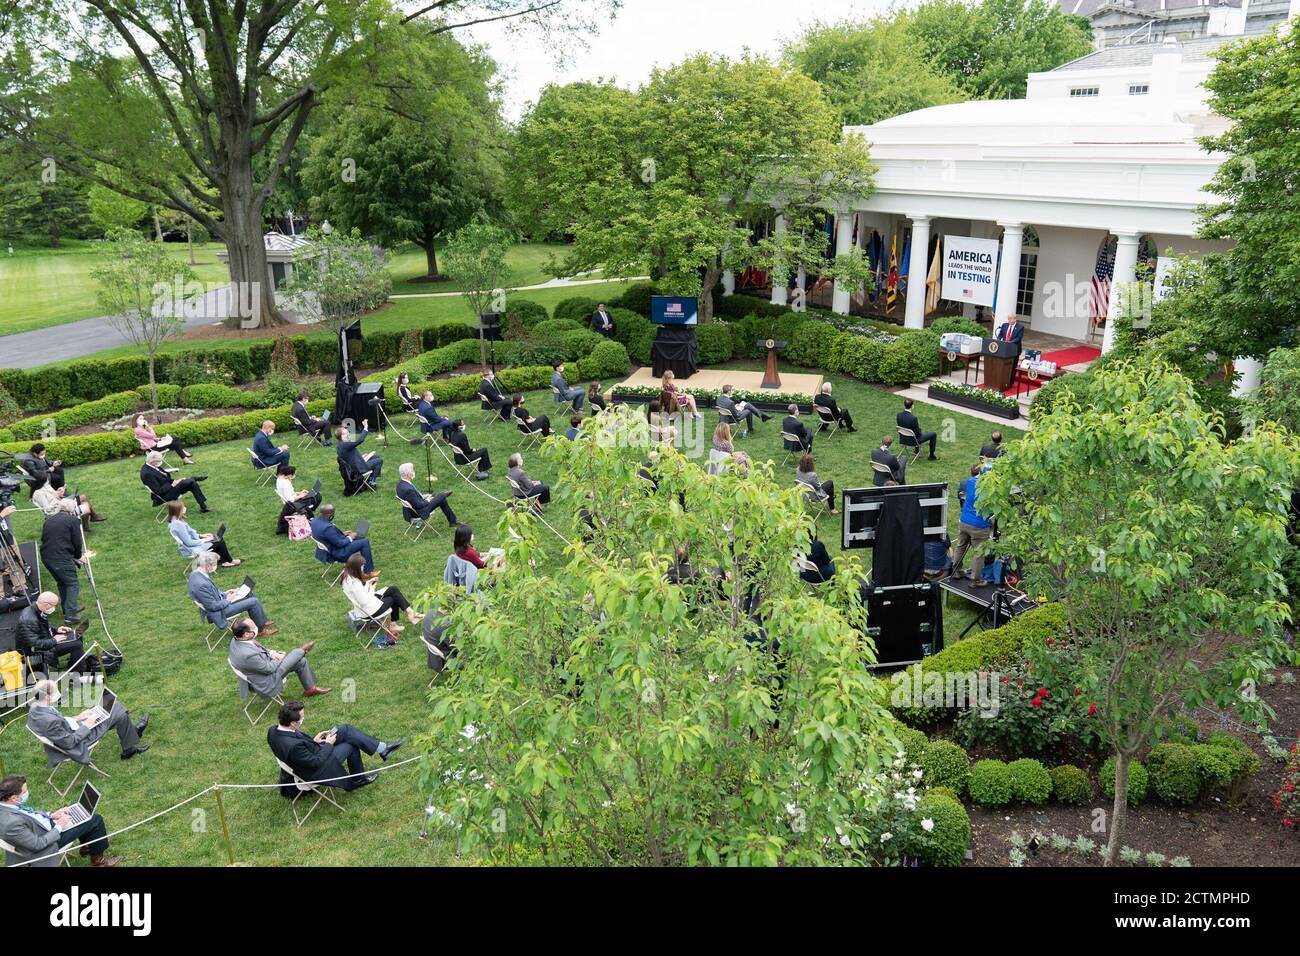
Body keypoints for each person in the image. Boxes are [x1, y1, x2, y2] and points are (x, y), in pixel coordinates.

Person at [268, 701, 405, 794]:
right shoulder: (293, 746)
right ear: (293, 723)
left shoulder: (273, 731)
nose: (304, 718)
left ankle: (383, 748)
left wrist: (314, 741)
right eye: (302, 718)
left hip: (310, 753)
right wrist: (328, 744)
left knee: (345, 730)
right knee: (351, 745)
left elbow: (299, 744)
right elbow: (315, 763)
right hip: (317, 769)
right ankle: (358, 779)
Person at [0, 774, 121, 867]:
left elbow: (28, 814)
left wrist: (51, 815)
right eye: (25, 791)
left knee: (83, 816)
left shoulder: (6, 805)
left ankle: (88, 846)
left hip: (46, 828)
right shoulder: (11, 823)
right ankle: (99, 862)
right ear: (14, 798)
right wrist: (59, 826)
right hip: (48, 843)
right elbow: (38, 845)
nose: (27, 793)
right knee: (95, 820)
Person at [27, 678, 150, 763]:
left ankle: (131, 738)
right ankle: (131, 741)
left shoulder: (36, 707)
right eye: (55, 691)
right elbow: (69, 742)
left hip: (72, 729)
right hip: (78, 742)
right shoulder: (50, 722)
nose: (58, 692)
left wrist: (78, 717)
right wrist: (87, 725)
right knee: (117, 710)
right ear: (47, 696)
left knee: (112, 709)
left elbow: (60, 723)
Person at [229, 618, 330, 698]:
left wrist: (271, 652)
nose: (256, 627)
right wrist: (279, 658)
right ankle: (301, 650)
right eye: (254, 627)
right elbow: (269, 669)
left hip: (260, 671)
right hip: (267, 682)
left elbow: (256, 649)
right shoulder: (247, 655)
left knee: (300, 662)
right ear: (246, 634)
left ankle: (310, 689)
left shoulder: (237, 639)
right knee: (296, 656)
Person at [188, 551, 278, 636]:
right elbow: (212, 606)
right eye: (215, 564)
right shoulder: (201, 585)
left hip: (221, 602)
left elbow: (211, 593)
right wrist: (227, 600)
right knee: (254, 601)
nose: (216, 566)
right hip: (221, 611)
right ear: (208, 566)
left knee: (249, 592)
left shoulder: (196, 573)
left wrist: (225, 593)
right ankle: (261, 630)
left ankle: (262, 620)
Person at [341, 553, 420, 640]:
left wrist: (368, 583)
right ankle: (398, 622)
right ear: (356, 567)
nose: (363, 568)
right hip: (368, 611)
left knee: (393, 589)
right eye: (362, 566)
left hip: (365, 606)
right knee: (393, 598)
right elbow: (364, 601)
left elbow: (361, 593)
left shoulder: (347, 576)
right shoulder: (355, 584)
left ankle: (410, 612)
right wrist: (372, 587)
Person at [40, 499, 92, 623]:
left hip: (46, 557)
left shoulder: (49, 520)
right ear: (73, 510)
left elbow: (44, 538)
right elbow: (77, 541)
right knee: (72, 583)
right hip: (60, 558)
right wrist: (79, 556)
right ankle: (71, 615)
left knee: (62, 582)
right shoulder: (73, 520)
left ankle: (68, 608)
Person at [16, 592, 90, 676]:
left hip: (43, 642)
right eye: (54, 605)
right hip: (34, 653)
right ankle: (78, 674)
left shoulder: (36, 610)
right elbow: (34, 645)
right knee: (77, 644)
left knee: (76, 635)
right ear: (46, 605)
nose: (54, 608)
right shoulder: (29, 620)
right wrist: (54, 640)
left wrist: (56, 630)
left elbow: (41, 627)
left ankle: (75, 662)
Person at [952, 464, 995, 587]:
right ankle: (976, 580)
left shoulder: (971, 481)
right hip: (978, 525)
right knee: (979, 552)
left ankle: (957, 571)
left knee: (960, 546)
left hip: (964, 520)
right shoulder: (990, 488)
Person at [168, 500, 240, 567]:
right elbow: (189, 542)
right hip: (191, 548)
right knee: (219, 541)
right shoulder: (179, 525)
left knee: (215, 538)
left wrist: (201, 536)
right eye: (183, 507)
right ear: (178, 511)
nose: (185, 508)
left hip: (191, 545)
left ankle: (223, 561)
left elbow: (189, 534)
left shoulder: (175, 521)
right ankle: (230, 561)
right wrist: (205, 540)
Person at [310, 504, 374, 572]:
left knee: (360, 536)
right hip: (338, 553)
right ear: (329, 515)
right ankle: (369, 571)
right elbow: (340, 543)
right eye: (333, 513)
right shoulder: (327, 528)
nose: (333, 515)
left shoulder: (315, 521)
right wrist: (350, 537)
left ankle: (360, 553)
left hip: (329, 549)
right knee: (364, 542)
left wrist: (343, 534)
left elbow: (327, 536)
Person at [141, 451, 212, 512]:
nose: (160, 463)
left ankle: (203, 507)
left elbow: (165, 478)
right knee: (191, 482)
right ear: (152, 461)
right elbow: (158, 491)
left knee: (192, 483)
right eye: (159, 461)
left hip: (170, 488)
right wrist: (172, 485)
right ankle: (194, 478)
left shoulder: (153, 465)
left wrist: (174, 481)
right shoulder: (147, 474)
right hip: (165, 495)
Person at [395, 463, 459, 528]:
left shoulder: (400, 484)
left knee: (439, 498)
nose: (414, 472)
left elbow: (412, 499)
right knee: (441, 497)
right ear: (408, 474)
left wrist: (424, 496)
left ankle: (453, 521)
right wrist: (428, 500)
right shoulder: (408, 490)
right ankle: (444, 496)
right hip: (419, 512)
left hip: (412, 509)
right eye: (412, 470)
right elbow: (419, 505)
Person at [31, 481, 101, 532]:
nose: (47, 481)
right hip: (59, 510)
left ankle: (90, 520)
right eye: (45, 479)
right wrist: (56, 496)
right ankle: (90, 521)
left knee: (84, 500)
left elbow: (54, 496)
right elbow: (48, 509)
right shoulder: (39, 494)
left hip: (62, 503)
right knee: (86, 504)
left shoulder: (45, 487)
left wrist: (59, 491)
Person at [335, 420, 382, 488]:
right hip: (358, 468)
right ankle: (372, 482)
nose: (348, 434)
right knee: (379, 461)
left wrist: (362, 457)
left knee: (375, 457)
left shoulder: (339, 444)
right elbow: (360, 440)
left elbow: (349, 456)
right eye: (346, 433)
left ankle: (369, 478)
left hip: (354, 464)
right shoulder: (345, 444)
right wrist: (365, 427)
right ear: (341, 436)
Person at [275, 464, 321, 534]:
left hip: (292, 501)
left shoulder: (280, 479)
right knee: (317, 497)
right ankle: (310, 514)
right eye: (293, 474)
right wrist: (301, 496)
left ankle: (309, 513)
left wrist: (299, 493)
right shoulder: (285, 484)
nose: (294, 476)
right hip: (293, 505)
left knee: (315, 495)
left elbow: (290, 493)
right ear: (289, 475)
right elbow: (290, 500)